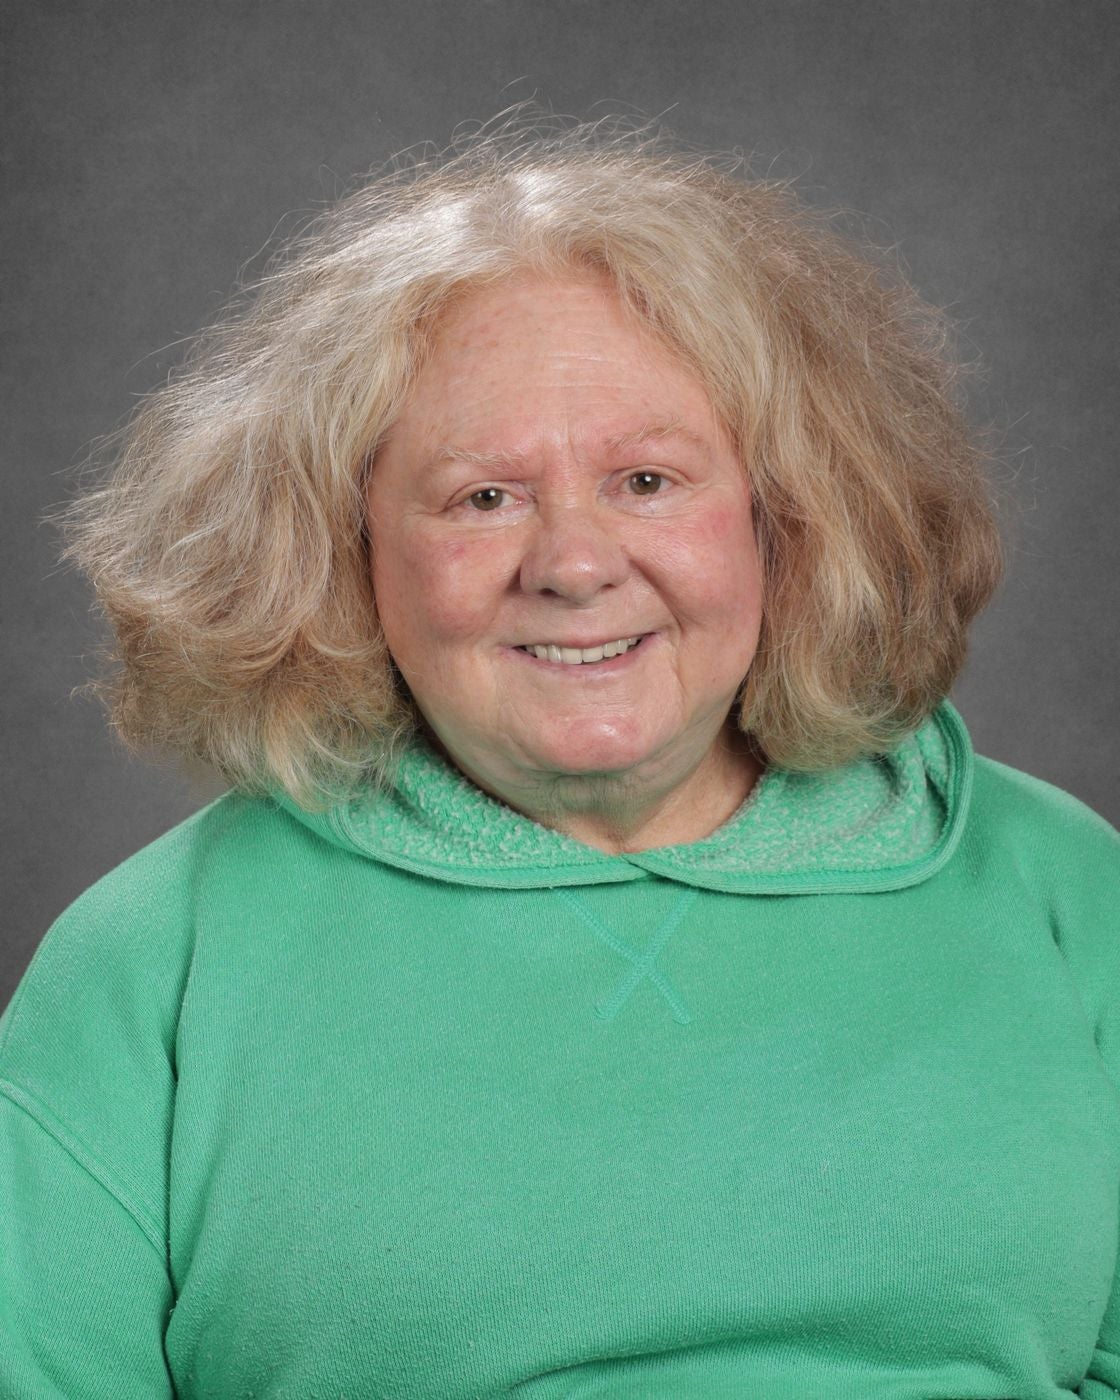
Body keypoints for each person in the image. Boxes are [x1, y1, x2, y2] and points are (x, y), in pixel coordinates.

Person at [2, 116, 1118, 1400]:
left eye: (647, 480)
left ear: (789, 516)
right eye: (484, 497)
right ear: (345, 553)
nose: (575, 564)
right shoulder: (158, 957)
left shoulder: (1059, 889)